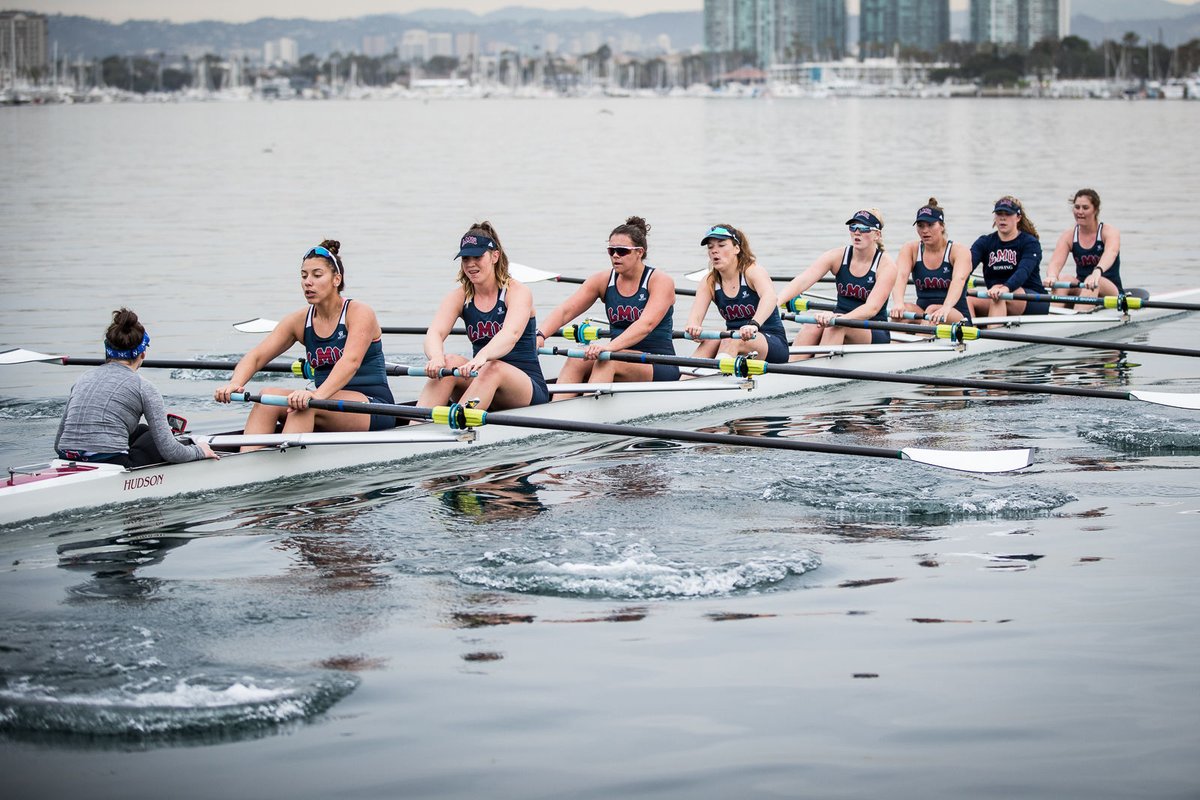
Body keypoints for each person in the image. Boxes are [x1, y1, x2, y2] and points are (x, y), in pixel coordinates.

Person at [214, 240, 396, 446]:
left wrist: (316, 395)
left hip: (373, 407)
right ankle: (247, 462)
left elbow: (350, 362)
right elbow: (257, 357)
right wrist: (235, 383)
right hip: (324, 400)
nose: (308, 282)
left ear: (337, 279)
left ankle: (284, 471)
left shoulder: (359, 313)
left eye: (317, 275)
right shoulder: (299, 321)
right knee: (267, 397)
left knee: (305, 405)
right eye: (304, 276)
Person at [535, 216, 679, 395]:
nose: (616, 256)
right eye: (611, 251)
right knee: (575, 358)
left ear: (639, 252)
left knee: (606, 360)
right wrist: (541, 335)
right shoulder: (602, 280)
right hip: (618, 355)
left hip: (658, 363)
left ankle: (586, 413)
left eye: (622, 251)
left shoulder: (660, 281)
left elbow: (645, 325)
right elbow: (566, 311)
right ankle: (558, 409)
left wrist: (609, 347)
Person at [55, 308, 218, 467]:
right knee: (155, 438)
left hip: (67, 456)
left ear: (107, 351)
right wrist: (199, 451)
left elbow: (58, 444)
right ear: (143, 354)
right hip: (110, 461)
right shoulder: (144, 387)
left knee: (140, 430)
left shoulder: (83, 378)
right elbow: (171, 452)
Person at [415, 222, 549, 412]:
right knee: (449, 361)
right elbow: (434, 333)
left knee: (492, 367)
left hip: (525, 388)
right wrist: (436, 357)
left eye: (477, 256)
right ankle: (416, 427)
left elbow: (511, 334)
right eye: (465, 258)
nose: (470, 264)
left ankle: (457, 430)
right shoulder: (459, 296)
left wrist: (482, 357)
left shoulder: (517, 292)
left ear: (495, 256)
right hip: (482, 378)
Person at [778, 209, 897, 360]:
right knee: (811, 325)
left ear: (877, 235)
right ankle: (791, 366)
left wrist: (839, 318)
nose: (857, 233)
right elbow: (802, 281)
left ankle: (817, 374)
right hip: (838, 319)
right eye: (853, 227)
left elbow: (871, 308)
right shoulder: (837, 256)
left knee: (835, 328)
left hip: (873, 329)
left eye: (864, 228)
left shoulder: (886, 265)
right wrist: (776, 302)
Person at [683, 224, 789, 363]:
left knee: (730, 340)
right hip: (735, 339)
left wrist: (754, 325)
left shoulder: (752, 271)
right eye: (710, 247)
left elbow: (770, 298)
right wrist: (693, 329)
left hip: (771, 341)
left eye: (721, 245)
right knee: (711, 340)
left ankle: (717, 378)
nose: (715, 251)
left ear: (737, 248)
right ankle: (685, 379)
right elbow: (694, 319)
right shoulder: (709, 281)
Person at [890, 199, 973, 326]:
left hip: (955, 315)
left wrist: (946, 307)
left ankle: (918, 342)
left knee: (933, 311)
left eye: (930, 225)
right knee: (902, 312)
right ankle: (893, 344)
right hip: (924, 314)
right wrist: (898, 303)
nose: (924, 230)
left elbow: (959, 280)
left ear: (942, 226)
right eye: (921, 225)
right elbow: (900, 277)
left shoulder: (959, 251)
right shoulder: (910, 249)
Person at [968, 196, 1048, 319]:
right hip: (997, 295)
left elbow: (1023, 271)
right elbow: (966, 267)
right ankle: (969, 334)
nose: (1003, 217)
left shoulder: (1030, 243)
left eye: (1008, 214)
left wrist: (1005, 288)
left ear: (1018, 217)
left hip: (1033, 299)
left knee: (999, 295)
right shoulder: (985, 242)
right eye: (999, 213)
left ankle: (993, 335)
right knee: (968, 299)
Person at [1044, 188, 1123, 301]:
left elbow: (1111, 253)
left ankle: (1080, 314)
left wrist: (1097, 272)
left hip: (1110, 290)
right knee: (1064, 279)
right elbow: (1055, 263)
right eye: (1077, 207)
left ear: (1095, 210)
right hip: (1083, 287)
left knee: (1095, 282)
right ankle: (1053, 316)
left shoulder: (1108, 232)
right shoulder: (1069, 235)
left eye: (1085, 208)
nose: (1080, 212)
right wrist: (1052, 275)